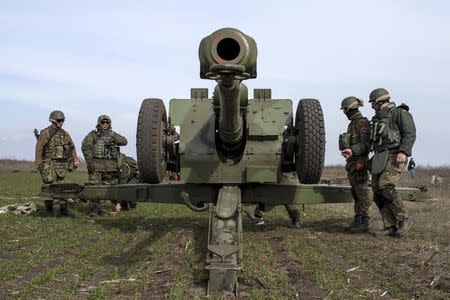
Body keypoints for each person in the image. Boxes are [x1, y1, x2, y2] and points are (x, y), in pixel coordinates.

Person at [368, 88, 416, 236]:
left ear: (380, 101)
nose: (372, 106)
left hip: (395, 154)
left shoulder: (400, 113)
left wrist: (403, 151)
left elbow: (410, 133)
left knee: (386, 187)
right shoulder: (376, 119)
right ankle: (390, 226)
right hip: (380, 156)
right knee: (377, 191)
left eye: (373, 103)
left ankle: (404, 219)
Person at [35, 110, 80, 216]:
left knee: (63, 187)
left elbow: (72, 147)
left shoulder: (65, 134)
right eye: (58, 120)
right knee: (49, 184)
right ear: (52, 120)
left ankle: (63, 209)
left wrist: (76, 159)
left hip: (62, 164)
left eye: (62, 120)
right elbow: (39, 148)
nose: (60, 122)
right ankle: (49, 209)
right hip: (49, 163)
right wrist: (38, 161)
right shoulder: (46, 133)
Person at [81, 115, 128, 216]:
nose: (105, 124)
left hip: (110, 167)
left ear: (109, 124)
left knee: (105, 189)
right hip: (96, 166)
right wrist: (89, 162)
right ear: (99, 123)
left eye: (107, 122)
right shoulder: (93, 135)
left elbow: (124, 141)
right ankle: (94, 209)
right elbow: (86, 147)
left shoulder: (113, 134)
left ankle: (101, 209)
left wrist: (114, 140)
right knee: (94, 188)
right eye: (103, 122)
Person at [339, 96, 371, 233]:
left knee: (362, 193)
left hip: (359, 163)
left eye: (345, 111)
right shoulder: (353, 123)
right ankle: (358, 219)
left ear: (349, 109)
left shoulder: (361, 123)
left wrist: (361, 160)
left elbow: (366, 144)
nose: (344, 114)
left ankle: (365, 221)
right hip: (352, 163)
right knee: (356, 193)